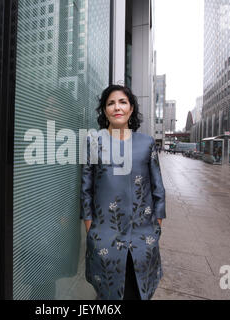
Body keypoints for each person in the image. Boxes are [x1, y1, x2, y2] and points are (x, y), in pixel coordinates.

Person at [80, 85, 166, 300]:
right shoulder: (93, 142)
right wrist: (91, 229)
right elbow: (85, 189)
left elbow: (158, 188)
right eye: (110, 103)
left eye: (122, 102)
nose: (117, 107)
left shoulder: (146, 143)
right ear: (104, 110)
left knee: (138, 292)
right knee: (109, 295)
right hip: (105, 237)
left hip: (142, 237)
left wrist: (156, 228)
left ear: (131, 108)